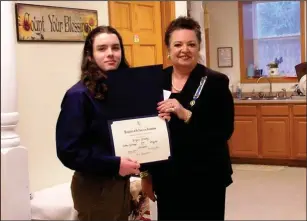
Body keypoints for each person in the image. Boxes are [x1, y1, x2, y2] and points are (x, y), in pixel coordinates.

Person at [141, 16, 235, 220]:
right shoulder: (156, 81)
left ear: (199, 47)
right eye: (178, 44)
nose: (185, 49)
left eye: (191, 44)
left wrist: (186, 114)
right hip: (168, 176)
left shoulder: (215, 81)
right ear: (168, 49)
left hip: (207, 175)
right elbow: (145, 130)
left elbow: (224, 129)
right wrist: (146, 175)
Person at [56, 26, 142, 221]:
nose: (111, 53)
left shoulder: (122, 91)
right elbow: (68, 151)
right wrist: (114, 164)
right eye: (102, 48)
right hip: (95, 188)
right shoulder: (78, 96)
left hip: (121, 184)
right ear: (91, 55)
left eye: (116, 47)